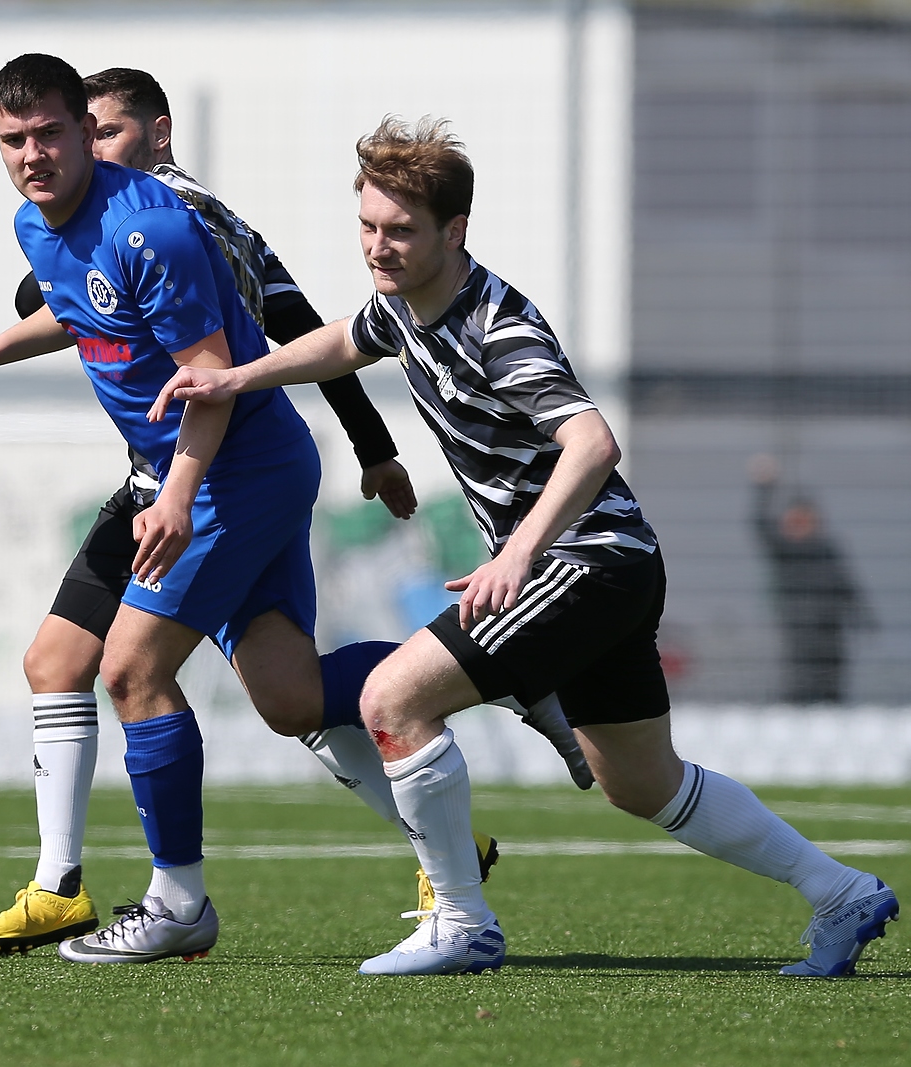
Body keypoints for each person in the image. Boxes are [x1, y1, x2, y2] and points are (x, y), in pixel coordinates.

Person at [151, 116, 898, 977]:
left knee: (393, 698)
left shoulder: (496, 325)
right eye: (367, 226)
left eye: (400, 231)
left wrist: (517, 553)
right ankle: (840, 891)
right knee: (642, 783)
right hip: (612, 566)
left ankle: (462, 921)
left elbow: (593, 442)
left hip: (583, 560)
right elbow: (344, 341)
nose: (379, 248)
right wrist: (238, 376)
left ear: (454, 231)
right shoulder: (400, 305)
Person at [0, 56, 538, 966]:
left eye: (53, 132)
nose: (35, 154)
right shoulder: (39, 223)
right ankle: (488, 668)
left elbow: (213, 375)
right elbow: (79, 309)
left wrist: (176, 495)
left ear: (84, 131)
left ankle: (178, 903)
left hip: (230, 470)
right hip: (229, 467)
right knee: (290, 696)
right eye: (14, 140)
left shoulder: (153, 226)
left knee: (130, 670)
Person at [749, 454, 868, 704]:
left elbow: (846, 584)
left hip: (830, 625)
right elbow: (759, 525)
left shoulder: (827, 548)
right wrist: (764, 487)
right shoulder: (784, 549)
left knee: (832, 677)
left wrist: (861, 614)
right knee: (801, 677)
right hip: (799, 625)